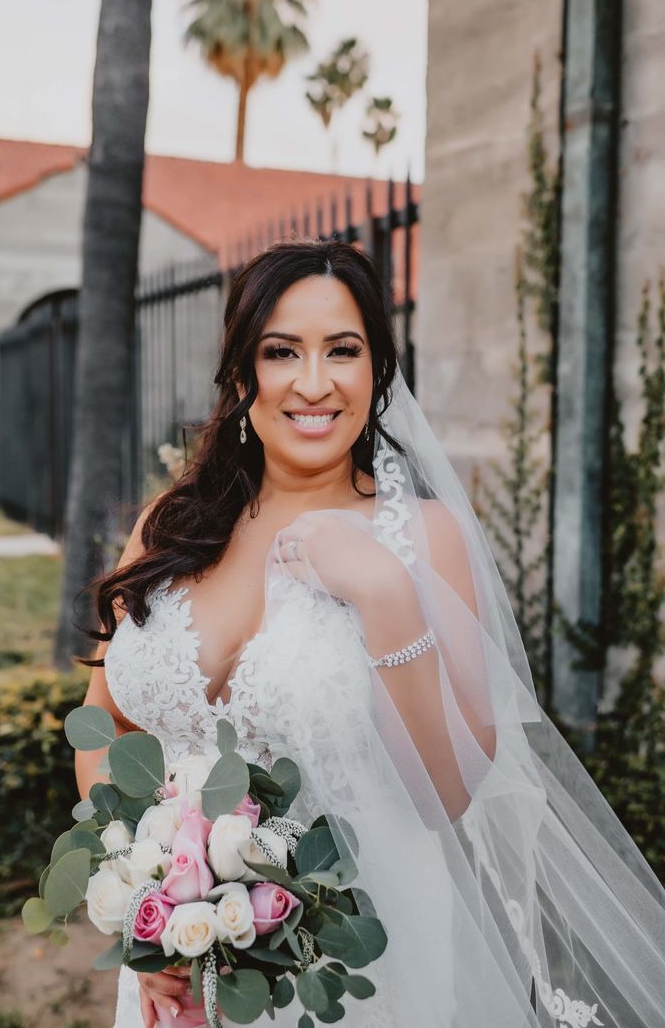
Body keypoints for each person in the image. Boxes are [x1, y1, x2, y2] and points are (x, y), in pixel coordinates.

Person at [75, 240, 665, 1028]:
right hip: (180, 967)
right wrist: (144, 913)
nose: (313, 382)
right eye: (281, 351)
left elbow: (446, 794)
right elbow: (107, 728)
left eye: (342, 350)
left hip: (348, 970)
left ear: (377, 370)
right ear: (243, 371)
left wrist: (385, 593)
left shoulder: (425, 540)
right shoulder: (167, 525)